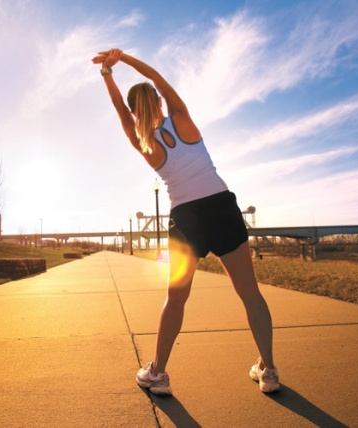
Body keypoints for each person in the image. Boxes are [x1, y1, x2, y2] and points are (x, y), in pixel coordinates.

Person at [92, 48, 279, 395]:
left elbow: (120, 111)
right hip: (222, 206)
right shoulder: (180, 116)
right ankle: (268, 371)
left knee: (176, 299)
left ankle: (158, 374)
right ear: (159, 102)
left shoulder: (141, 140)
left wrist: (107, 74)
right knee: (250, 294)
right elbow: (160, 80)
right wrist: (125, 59)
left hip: (187, 217)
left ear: (135, 112)